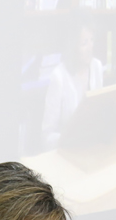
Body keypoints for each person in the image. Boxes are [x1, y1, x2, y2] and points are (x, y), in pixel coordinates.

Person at [40, 16, 104, 150]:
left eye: (92, 40)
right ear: (73, 46)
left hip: (92, 146)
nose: (90, 47)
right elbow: (46, 136)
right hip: (67, 151)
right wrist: (69, 140)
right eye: (84, 43)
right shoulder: (59, 77)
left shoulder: (96, 67)